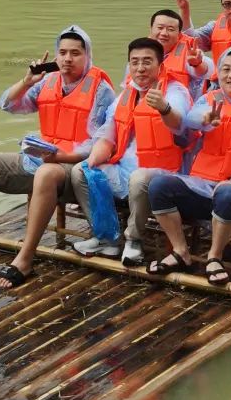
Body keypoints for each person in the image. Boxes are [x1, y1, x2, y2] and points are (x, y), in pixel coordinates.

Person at [0, 24, 114, 291]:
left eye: (75, 53)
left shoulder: (101, 90)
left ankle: (25, 257)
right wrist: (26, 82)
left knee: (45, 173)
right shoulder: (47, 81)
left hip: (72, 167)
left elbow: (103, 142)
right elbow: (7, 105)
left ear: (88, 55)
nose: (67, 59)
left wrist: (63, 157)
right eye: (63, 52)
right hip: (41, 158)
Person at [146, 46, 231, 284]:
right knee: (158, 185)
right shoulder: (209, 101)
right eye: (226, 70)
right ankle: (181, 251)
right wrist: (205, 120)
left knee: (227, 192)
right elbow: (191, 120)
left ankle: (215, 256)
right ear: (218, 74)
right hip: (203, 187)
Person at [75, 37, 191, 266]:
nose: (140, 68)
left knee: (139, 178)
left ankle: (133, 240)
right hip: (124, 165)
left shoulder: (175, 91)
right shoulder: (127, 94)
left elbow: (180, 124)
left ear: (160, 64)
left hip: (164, 171)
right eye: (134, 62)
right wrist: (96, 156)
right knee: (81, 171)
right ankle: (106, 237)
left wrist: (164, 108)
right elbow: (110, 129)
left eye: (147, 62)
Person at [147, 8, 211, 96]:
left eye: (170, 29)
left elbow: (207, 70)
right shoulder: (140, 52)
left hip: (181, 101)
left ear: (179, 34)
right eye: (160, 28)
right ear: (151, 29)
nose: (164, 33)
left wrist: (197, 64)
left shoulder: (190, 52)